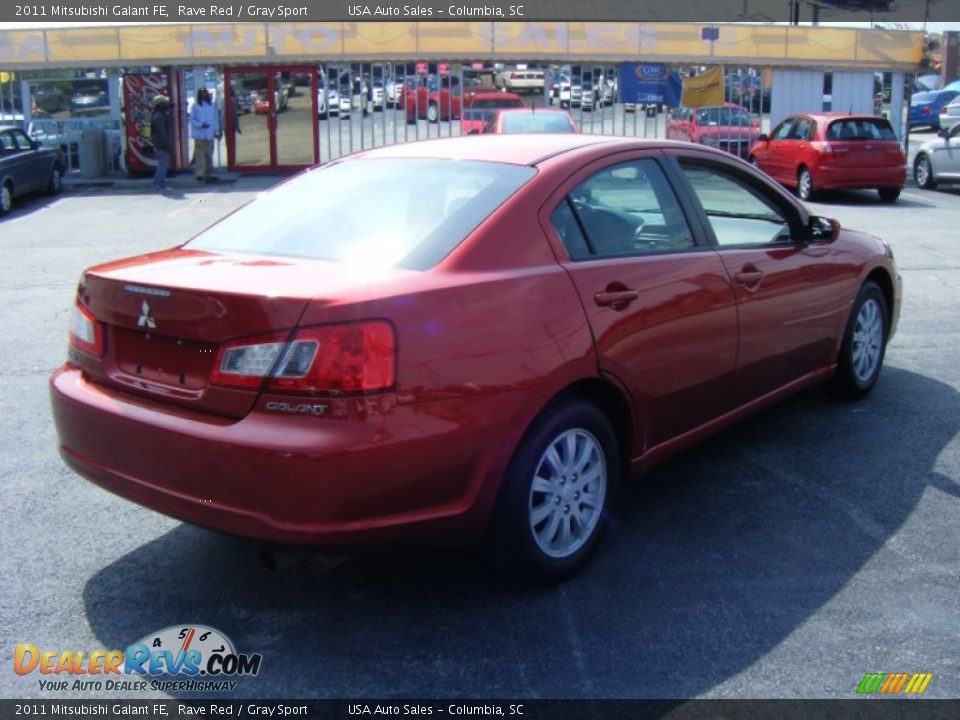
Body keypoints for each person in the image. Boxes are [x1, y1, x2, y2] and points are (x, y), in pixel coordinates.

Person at [190, 87, 219, 183]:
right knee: (200, 155)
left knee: (209, 155)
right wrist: (200, 125)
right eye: (202, 93)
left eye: (205, 93)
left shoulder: (212, 105)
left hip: (210, 134)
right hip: (199, 135)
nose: (204, 95)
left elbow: (215, 119)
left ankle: (210, 173)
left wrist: (216, 131)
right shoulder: (195, 106)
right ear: (199, 95)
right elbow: (192, 120)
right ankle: (200, 173)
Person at [150, 95, 172, 192]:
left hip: (160, 143)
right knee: (162, 164)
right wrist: (167, 144)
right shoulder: (159, 116)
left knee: (162, 164)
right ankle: (159, 185)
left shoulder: (159, 114)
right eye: (165, 103)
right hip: (161, 144)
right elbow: (162, 132)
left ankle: (159, 183)